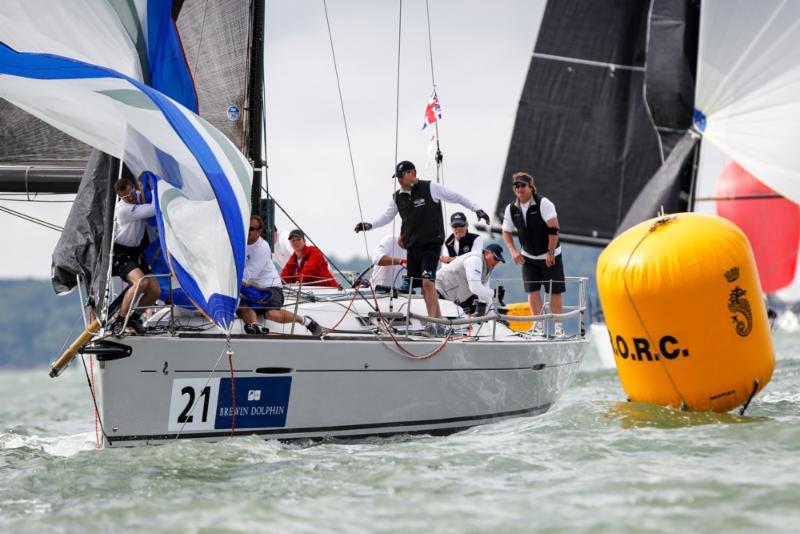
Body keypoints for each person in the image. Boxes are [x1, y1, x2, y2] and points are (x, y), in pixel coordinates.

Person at [354, 160, 490, 336]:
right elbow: (387, 216)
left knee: (427, 282)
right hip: (413, 247)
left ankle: (431, 324)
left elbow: (455, 196)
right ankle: (440, 322)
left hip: (431, 245)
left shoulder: (430, 187)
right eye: (398, 178)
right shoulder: (398, 196)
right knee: (422, 287)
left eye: (402, 176)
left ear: (413, 173)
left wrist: (477, 209)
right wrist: (369, 225)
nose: (400, 181)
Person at [501, 172, 565, 337]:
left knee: (554, 291)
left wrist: (550, 253)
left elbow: (553, 228)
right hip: (528, 257)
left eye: (523, 185)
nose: (520, 188)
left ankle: (559, 327)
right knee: (532, 291)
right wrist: (514, 251)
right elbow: (506, 232)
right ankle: (538, 325)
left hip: (551, 255)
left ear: (531, 187)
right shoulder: (511, 208)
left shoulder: (544, 203)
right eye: (517, 186)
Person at [239, 216, 323, 336]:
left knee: (270, 314)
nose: (247, 232)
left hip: (270, 287)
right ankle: (255, 327)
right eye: (245, 228)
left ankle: (305, 321)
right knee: (243, 307)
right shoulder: (238, 244)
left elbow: (249, 274)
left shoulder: (262, 247)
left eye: (251, 229)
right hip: (250, 289)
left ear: (259, 232)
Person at [110, 177, 161, 334]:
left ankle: (134, 318)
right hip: (121, 252)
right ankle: (119, 322)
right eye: (125, 197)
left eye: (131, 193)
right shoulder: (123, 210)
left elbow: (144, 197)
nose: (130, 198)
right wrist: (154, 186)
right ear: (120, 197)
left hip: (136, 252)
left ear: (133, 187)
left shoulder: (138, 196)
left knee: (155, 290)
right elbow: (154, 208)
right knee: (140, 283)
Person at [436, 244, 505, 317]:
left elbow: (484, 293)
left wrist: (492, 314)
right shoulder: (475, 260)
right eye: (495, 258)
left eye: (499, 260)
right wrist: (494, 293)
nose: (496, 262)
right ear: (487, 253)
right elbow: (475, 287)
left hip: (450, 300)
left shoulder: (487, 268)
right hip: (438, 292)